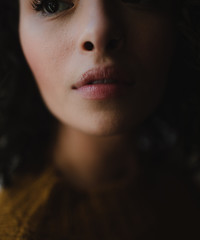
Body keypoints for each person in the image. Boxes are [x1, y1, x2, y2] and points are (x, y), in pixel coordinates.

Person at [0, 0, 199, 239]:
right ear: (14, 30)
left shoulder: (183, 191)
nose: (99, 29)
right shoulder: (20, 232)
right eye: (52, 4)